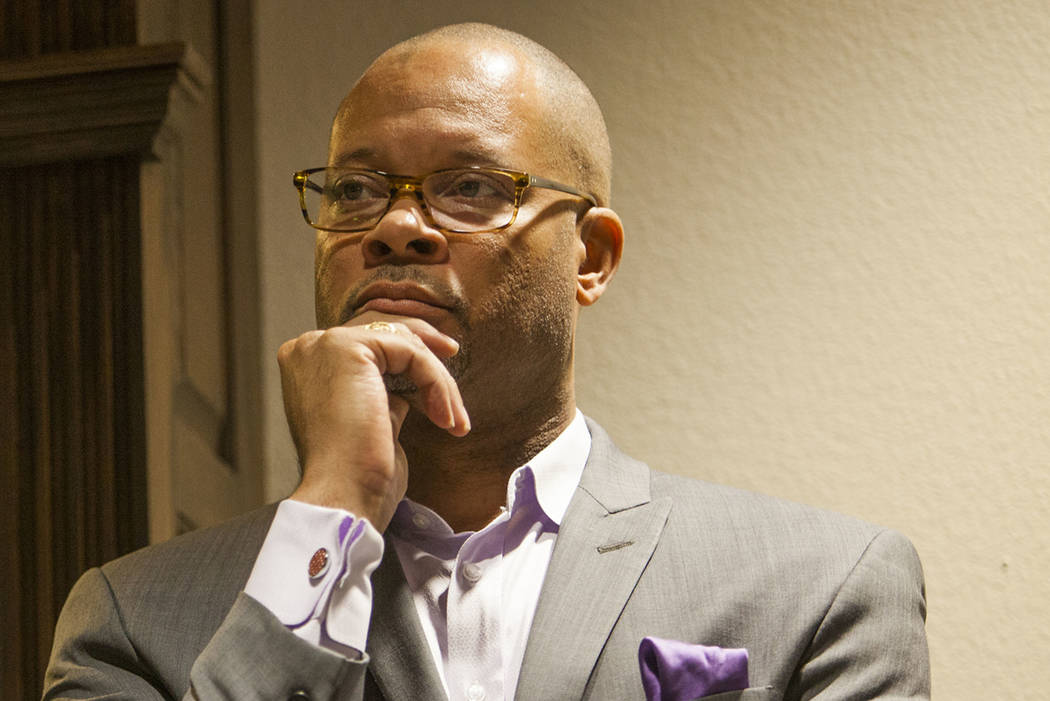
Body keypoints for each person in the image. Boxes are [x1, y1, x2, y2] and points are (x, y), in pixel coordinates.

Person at [43, 23, 929, 700]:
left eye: (470, 188)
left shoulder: (823, 586)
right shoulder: (134, 620)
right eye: (355, 190)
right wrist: (334, 508)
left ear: (590, 257)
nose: (396, 226)